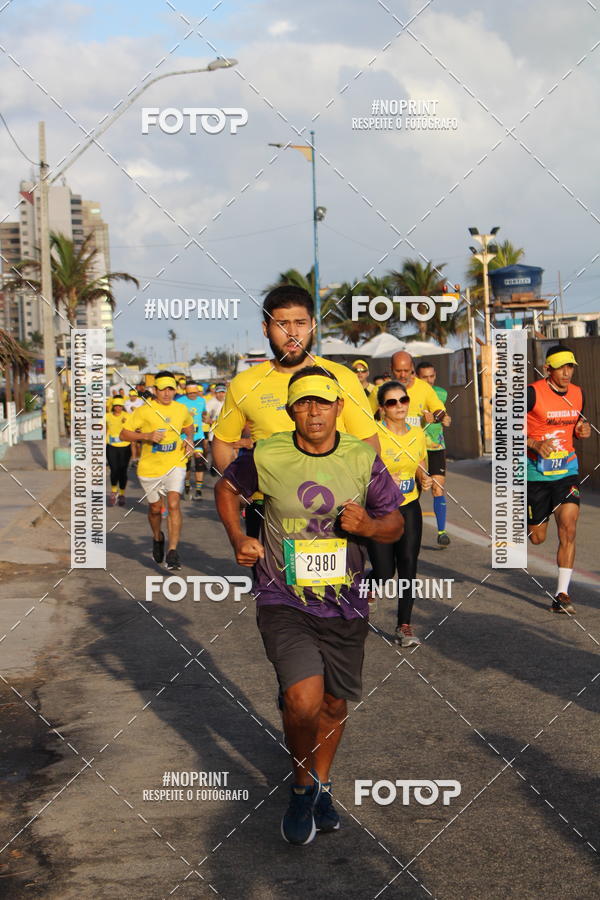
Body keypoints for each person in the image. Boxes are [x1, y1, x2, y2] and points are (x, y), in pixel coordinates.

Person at [215, 367, 403, 845]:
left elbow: (395, 523)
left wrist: (369, 529)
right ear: (291, 410)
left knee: (334, 705)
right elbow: (226, 488)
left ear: (339, 407)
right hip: (283, 597)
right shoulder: (268, 453)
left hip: (347, 600)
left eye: (323, 402)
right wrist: (239, 536)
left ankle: (321, 782)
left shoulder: (362, 458)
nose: (314, 411)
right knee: (302, 701)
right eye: (304, 403)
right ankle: (301, 789)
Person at [212, 285, 379, 539]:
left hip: (337, 509)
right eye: (282, 324)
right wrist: (241, 490)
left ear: (313, 324)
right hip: (267, 510)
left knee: (344, 579)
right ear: (265, 328)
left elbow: (369, 442)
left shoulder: (342, 377)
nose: (292, 333)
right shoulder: (244, 384)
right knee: (272, 580)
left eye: (300, 323)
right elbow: (222, 443)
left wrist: (365, 501)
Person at [526, 345, 591, 614]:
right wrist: (534, 443)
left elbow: (575, 424)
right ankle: (528, 516)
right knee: (537, 537)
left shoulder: (577, 394)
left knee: (568, 527)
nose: (567, 372)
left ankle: (562, 594)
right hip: (535, 473)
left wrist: (580, 430)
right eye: (561, 367)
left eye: (571, 366)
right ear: (547, 369)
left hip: (566, 471)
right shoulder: (531, 393)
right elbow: (504, 426)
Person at [370, 381, 432, 646]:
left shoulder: (417, 433)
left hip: (409, 505)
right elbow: (362, 469)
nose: (400, 406)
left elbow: (419, 462)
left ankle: (404, 626)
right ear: (382, 408)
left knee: (408, 564)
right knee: (385, 572)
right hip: (380, 510)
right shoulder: (373, 433)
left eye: (403, 400)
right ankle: (361, 589)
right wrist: (384, 477)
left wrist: (424, 476)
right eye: (392, 402)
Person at [120, 371, 194, 570]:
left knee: (173, 503)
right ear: (155, 390)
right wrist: (147, 435)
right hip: (150, 467)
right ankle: (157, 537)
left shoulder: (181, 409)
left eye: (171, 389)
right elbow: (124, 434)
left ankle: (172, 551)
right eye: (163, 389)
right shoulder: (144, 411)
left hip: (175, 463)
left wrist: (189, 440)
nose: (167, 393)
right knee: (154, 509)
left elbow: (189, 426)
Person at [415, 360, 451, 546]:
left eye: (432, 376)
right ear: (417, 377)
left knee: (438, 488)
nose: (429, 381)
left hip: (436, 447)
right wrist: (422, 419)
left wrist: (446, 420)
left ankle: (442, 532)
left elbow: (444, 416)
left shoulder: (441, 393)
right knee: (415, 492)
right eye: (424, 377)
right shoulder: (411, 393)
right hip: (415, 448)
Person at [176, 381, 208, 500]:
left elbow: (204, 411)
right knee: (187, 464)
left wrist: (205, 416)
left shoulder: (201, 400)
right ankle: (187, 486)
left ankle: (198, 491)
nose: (193, 395)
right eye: (191, 393)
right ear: (186, 392)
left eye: (195, 392)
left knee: (199, 460)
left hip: (198, 435)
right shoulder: (180, 402)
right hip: (184, 437)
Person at [105, 398, 131, 506]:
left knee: (123, 471)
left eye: (120, 406)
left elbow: (133, 428)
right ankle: (114, 491)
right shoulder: (107, 416)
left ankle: (122, 494)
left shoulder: (127, 416)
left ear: (122, 406)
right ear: (113, 406)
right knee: (114, 469)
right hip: (111, 446)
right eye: (116, 406)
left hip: (125, 447)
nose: (118, 408)